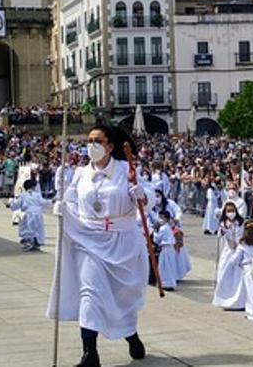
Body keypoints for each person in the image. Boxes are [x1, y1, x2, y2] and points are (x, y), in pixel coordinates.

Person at [47, 124, 154, 367]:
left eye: (98, 140)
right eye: (89, 140)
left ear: (110, 146)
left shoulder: (126, 169)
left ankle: (131, 335)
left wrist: (141, 194)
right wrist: (63, 208)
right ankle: (90, 354)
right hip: (89, 239)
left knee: (120, 299)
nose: (92, 145)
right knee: (90, 294)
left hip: (121, 241)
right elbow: (72, 199)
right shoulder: (81, 173)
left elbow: (147, 199)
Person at [212, 200, 245, 310]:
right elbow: (220, 236)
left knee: (238, 276)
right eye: (228, 211)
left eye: (232, 210)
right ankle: (224, 299)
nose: (231, 213)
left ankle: (239, 301)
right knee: (224, 273)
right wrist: (223, 230)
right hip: (228, 251)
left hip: (239, 251)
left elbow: (242, 235)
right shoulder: (223, 223)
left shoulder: (240, 222)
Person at [8, 178, 53, 251]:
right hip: (37, 214)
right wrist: (51, 202)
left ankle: (28, 242)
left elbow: (16, 204)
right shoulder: (37, 195)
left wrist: (11, 204)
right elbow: (43, 202)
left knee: (27, 228)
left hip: (28, 213)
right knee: (38, 228)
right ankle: (37, 242)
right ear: (33, 187)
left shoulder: (23, 195)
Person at [153, 210, 178, 290]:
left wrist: (153, 232)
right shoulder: (167, 227)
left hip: (166, 248)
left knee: (165, 267)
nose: (159, 219)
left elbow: (157, 239)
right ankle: (166, 283)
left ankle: (167, 284)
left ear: (166, 219)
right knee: (167, 267)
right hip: (168, 249)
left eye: (161, 217)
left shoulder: (164, 228)